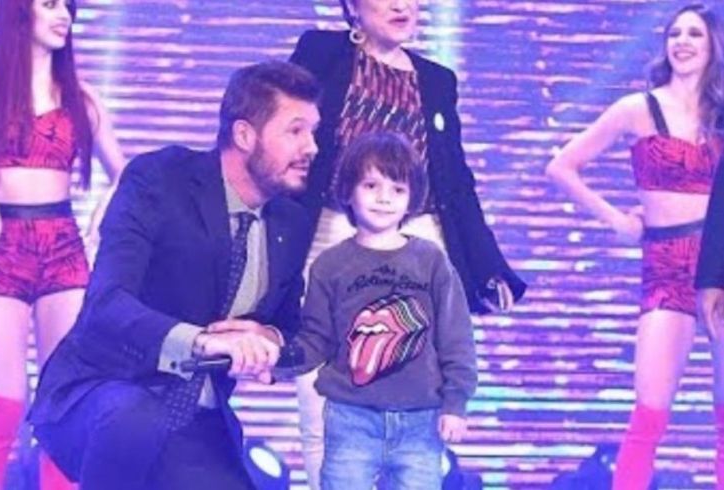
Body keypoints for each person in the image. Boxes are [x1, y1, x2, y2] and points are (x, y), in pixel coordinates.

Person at [28, 60, 321, 490]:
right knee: (135, 419)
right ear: (244, 135)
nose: (312, 147)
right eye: (295, 131)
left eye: (313, 131)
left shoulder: (290, 224)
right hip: (104, 388)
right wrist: (201, 341)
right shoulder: (160, 180)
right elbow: (107, 304)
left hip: (194, 417)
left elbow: (297, 335)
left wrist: (269, 338)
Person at [288, 2, 526, 485]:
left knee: (417, 387)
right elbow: (285, 135)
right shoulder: (321, 53)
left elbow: (455, 180)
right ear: (352, 6)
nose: (402, 5)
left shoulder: (436, 80)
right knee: (323, 395)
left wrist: (488, 265)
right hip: (332, 230)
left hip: (417, 236)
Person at [0, 0, 127, 488]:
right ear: (20, 12)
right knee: (3, 406)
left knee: (60, 405)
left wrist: (102, 214)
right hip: (3, 248)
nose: (64, 14)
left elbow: (125, 174)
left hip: (62, 246)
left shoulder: (81, 98)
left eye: (68, 6)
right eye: (50, 4)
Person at [546, 3, 724, 488]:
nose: (682, 42)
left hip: (718, 263)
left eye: (694, 34)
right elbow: (561, 166)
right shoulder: (636, 108)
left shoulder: (720, 115)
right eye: (674, 33)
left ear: (713, 46)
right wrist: (618, 221)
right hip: (666, 264)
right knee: (650, 411)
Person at [285, 131, 477, 489]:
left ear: (412, 198)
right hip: (350, 417)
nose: (384, 198)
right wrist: (277, 363)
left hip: (421, 419)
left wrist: (455, 404)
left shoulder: (432, 261)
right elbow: (316, 339)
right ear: (348, 190)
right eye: (371, 185)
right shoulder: (329, 265)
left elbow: (456, 338)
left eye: (398, 189)